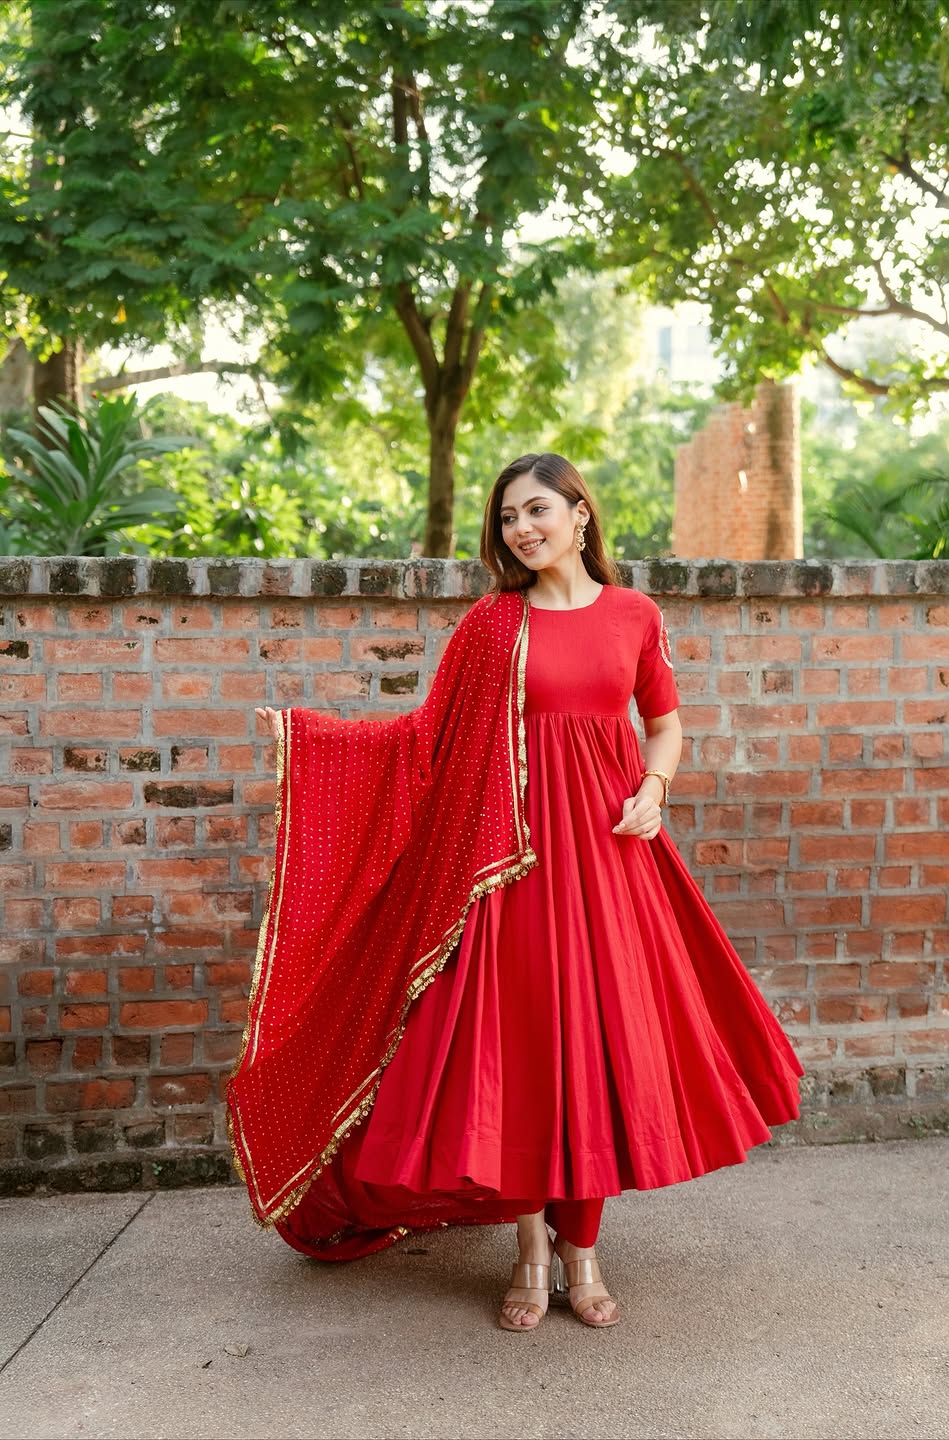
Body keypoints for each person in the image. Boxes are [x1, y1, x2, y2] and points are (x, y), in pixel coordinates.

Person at [227, 452, 804, 1334]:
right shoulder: (495, 625)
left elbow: (665, 723)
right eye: (506, 519)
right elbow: (426, 738)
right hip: (510, 867)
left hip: (611, 863)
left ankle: (585, 1251)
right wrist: (315, 740)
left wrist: (654, 791)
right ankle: (533, 1247)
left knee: (602, 1055)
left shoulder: (634, 615)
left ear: (581, 515)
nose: (522, 529)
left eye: (537, 510)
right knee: (532, 1052)